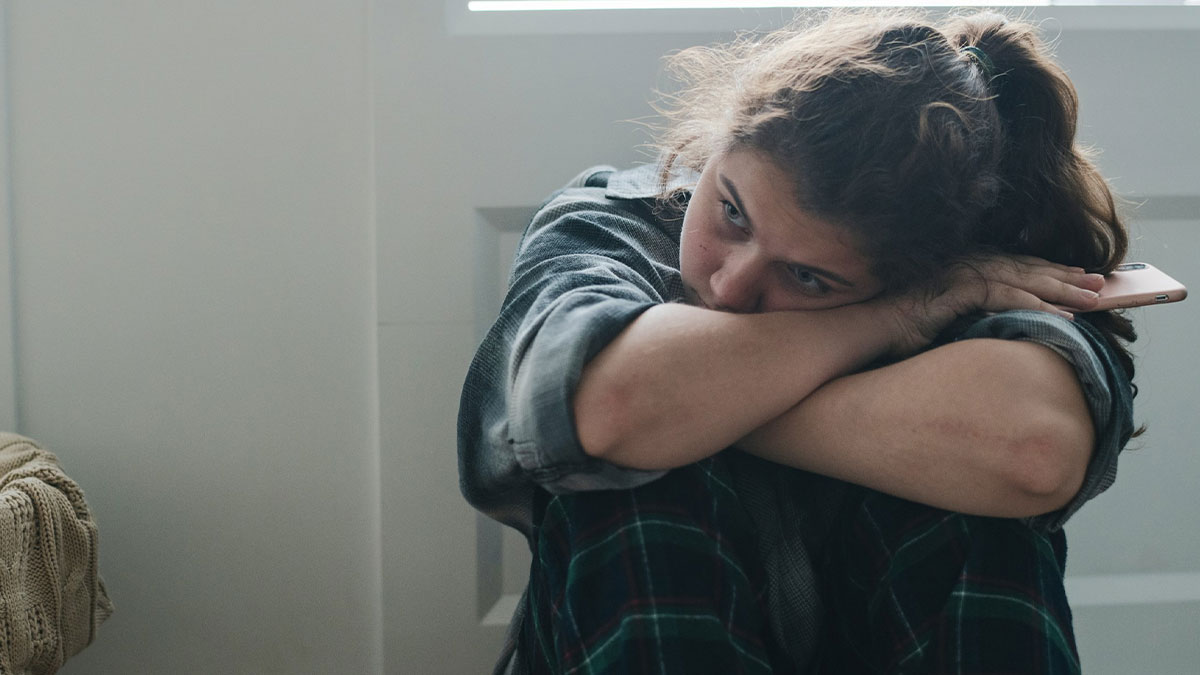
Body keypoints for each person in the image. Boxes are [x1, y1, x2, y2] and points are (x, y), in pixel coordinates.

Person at [458, 9, 1137, 674]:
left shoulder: (988, 276)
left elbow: (1032, 450)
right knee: (640, 480)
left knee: (973, 498)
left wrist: (691, 405)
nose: (729, 285)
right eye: (731, 210)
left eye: (809, 276)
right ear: (719, 145)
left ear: (917, 269)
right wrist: (887, 320)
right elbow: (608, 407)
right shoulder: (614, 222)